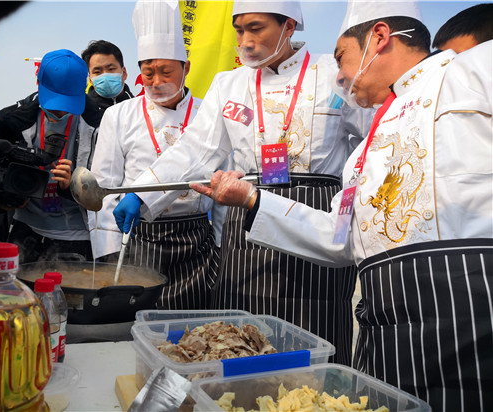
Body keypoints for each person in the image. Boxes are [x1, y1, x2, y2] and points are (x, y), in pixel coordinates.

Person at [191, 1, 493, 410]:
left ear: (380, 38)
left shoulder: (469, 72)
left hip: (472, 311)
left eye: (341, 57)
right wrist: (252, 199)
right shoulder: (360, 156)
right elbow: (339, 238)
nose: (338, 76)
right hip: (385, 331)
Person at [113, 0, 373, 365]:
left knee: (316, 330)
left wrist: (353, 209)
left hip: (316, 219)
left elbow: (370, 144)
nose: (245, 41)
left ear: (289, 26)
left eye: (256, 28)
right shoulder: (229, 83)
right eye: (239, 30)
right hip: (247, 213)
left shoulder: (333, 73)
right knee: (240, 337)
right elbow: (196, 149)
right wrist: (142, 193)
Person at [88, 0, 221, 310]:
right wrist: (109, 252)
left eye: (166, 72)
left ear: (186, 68)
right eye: (148, 74)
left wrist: (222, 245)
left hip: (196, 240)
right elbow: (104, 188)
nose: (157, 82)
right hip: (138, 239)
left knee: (192, 326)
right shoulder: (119, 115)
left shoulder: (209, 114)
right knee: (135, 323)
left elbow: (222, 186)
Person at [0, 49, 102, 264]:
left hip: (77, 232)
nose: (60, 112)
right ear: (39, 83)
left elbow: (108, 183)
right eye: (55, 103)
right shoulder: (12, 119)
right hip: (25, 227)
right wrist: (4, 187)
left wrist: (75, 185)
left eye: (67, 104)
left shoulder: (99, 124)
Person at [81, 40, 135, 111]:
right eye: (97, 72)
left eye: (111, 69)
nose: (105, 76)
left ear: (124, 73)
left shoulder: (139, 108)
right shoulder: (82, 112)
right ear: (90, 79)